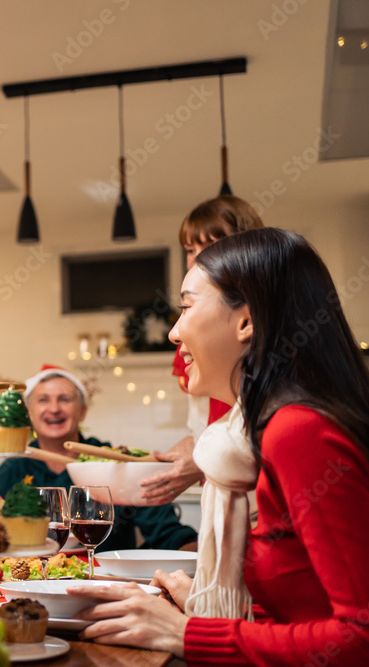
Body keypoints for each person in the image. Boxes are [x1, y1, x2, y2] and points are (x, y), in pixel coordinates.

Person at [71, 228, 369, 663]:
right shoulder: (256, 433)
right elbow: (299, 607)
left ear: (246, 321)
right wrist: (199, 603)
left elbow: (367, 638)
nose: (175, 333)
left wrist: (187, 634)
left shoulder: (299, 432)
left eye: (186, 307)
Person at [140, 195, 264, 506]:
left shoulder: (254, 340)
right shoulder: (204, 335)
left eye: (211, 244)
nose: (196, 258)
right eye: (190, 250)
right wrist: (192, 447)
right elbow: (209, 423)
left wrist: (202, 456)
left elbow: (250, 430)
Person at [0, 365, 197, 552]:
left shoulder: (115, 462)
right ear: (29, 413)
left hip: (108, 584)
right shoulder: (14, 466)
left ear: (83, 411)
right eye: (43, 400)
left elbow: (170, 535)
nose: (54, 409)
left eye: (64, 399)